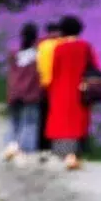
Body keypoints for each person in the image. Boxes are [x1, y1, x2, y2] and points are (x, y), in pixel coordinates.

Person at [43, 14, 101, 170]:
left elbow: (54, 70)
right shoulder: (86, 47)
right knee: (78, 121)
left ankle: (64, 154)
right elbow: (96, 67)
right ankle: (75, 155)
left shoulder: (59, 48)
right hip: (80, 90)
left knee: (61, 122)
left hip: (60, 89)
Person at [4, 22, 41, 163]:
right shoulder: (37, 55)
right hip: (30, 95)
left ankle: (11, 147)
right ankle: (25, 151)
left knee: (14, 122)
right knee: (30, 124)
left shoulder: (14, 54)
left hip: (14, 93)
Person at [36, 20, 62, 157]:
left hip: (42, 86)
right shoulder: (60, 45)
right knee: (55, 116)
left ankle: (41, 145)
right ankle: (54, 145)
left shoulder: (41, 45)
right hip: (56, 87)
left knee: (43, 117)